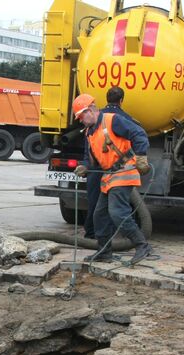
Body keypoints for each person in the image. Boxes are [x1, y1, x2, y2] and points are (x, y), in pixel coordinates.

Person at [73, 92, 152, 264]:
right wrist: (84, 166)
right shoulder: (89, 132)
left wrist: (141, 156)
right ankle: (104, 252)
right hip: (109, 177)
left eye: (81, 116)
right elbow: (90, 157)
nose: (80, 120)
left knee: (117, 212)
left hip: (124, 172)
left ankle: (142, 245)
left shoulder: (112, 120)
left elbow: (139, 134)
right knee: (99, 215)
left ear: (91, 110)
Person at [83, 86, 136, 239]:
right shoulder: (124, 118)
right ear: (121, 100)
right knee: (113, 205)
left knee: (95, 202)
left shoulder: (95, 116)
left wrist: (86, 165)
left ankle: (91, 233)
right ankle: (108, 237)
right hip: (115, 170)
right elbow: (133, 140)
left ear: (106, 99)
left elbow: (89, 147)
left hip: (95, 169)